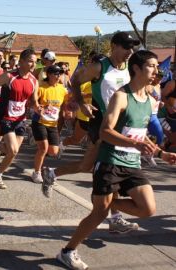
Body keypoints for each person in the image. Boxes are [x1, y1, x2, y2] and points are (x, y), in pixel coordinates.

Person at [55, 50, 176, 270]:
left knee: (148, 209)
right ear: (136, 69)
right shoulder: (122, 96)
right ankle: (68, 251)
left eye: (156, 67)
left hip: (131, 163)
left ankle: (107, 206)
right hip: (110, 161)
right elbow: (105, 132)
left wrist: (160, 153)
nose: (156, 71)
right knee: (99, 213)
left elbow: (140, 137)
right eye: (151, 66)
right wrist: (136, 145)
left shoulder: (149, 101)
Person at [42, 32, 141, 234]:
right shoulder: (100, 67)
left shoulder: (131, 69)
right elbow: (76, 81)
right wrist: (81, 102)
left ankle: (52, 173)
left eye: (133, 47)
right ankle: (115, 218)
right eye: (126, 46)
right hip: (102, 126)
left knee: (86, 165)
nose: (130, 51)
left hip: (121, 126)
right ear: (113, 46)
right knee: (113, 169)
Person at [0, 48, 39, 189]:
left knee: (12, 153)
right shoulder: (9, 76)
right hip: (6, 117)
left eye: (35, 62)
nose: (33, 65)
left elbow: (34, 101)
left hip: (21, 119)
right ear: (21, 61)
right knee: (13, 151)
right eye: (30, 61)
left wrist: (38, 108)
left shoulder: (34, 81)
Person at [31, 65, 68, 183]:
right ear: (49, 75)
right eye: (56, 73)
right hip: (39, 121)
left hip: (53, 123)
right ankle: (36, 172)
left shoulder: (62, 89)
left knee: (53, 152)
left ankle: (39, 157)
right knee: (43, 148)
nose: (58, 76)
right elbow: (32, 102)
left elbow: (67, 103)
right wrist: (39, 107)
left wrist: (68, 111)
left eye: (60, 74)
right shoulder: (42, 87)